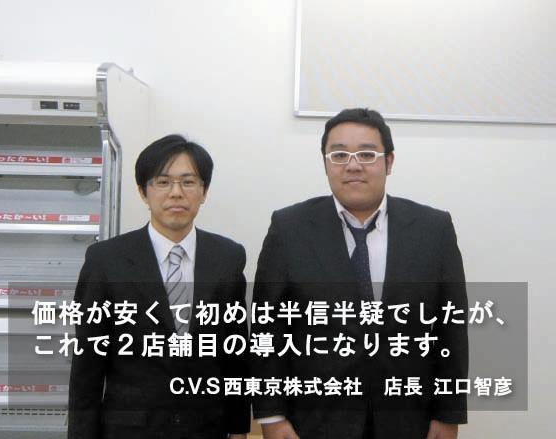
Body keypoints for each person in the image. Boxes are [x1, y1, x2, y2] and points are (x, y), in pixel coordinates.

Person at [252, 109, 468, 439]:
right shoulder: (288, 228)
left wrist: (448, 415)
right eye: (339, 155)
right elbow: (267, 328)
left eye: (367, 154)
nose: (353, 165)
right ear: (325, 163)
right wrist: (272, 417)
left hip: (410, 421)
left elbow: (451, 329)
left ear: (389, 162)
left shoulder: (433, 229)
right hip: (313, 422)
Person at [68, 135, 249, 439]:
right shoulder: (106, 260)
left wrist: (239, 428)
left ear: (203, 191)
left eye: (188, 182)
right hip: (130, 431)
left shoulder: (227, 258)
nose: (176, 193)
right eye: (163, 182)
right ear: (143, 192)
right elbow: (87, 365)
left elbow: (235, 352)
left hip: (205, 428)